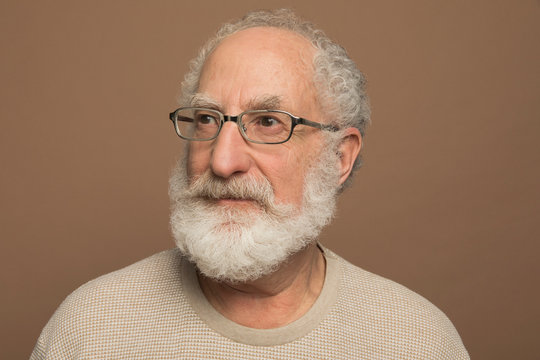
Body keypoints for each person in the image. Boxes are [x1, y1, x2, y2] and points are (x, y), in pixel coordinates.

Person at [31, 9, 469, 359]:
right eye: (207, 119)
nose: (222, 161)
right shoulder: (90, 327)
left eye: (267, 123)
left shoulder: (415, 340)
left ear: (340, 156)